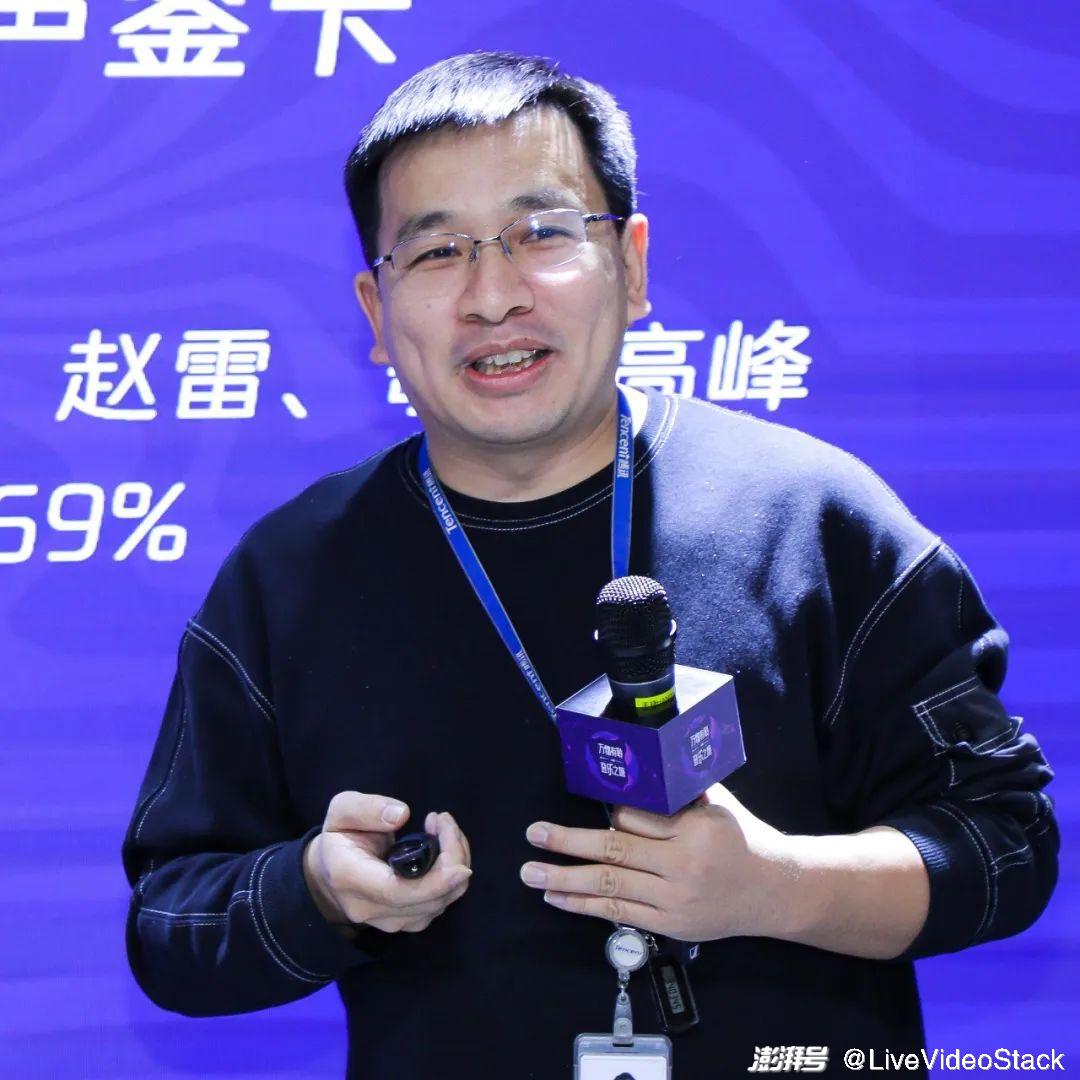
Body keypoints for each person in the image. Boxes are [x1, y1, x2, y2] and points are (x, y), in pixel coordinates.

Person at [122, 51, 1059, 1078]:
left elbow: (1007, 844)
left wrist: (777, 885)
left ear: (633, 264)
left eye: (542, 234)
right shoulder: (287, 576)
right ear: (374, 312)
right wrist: (316, 889)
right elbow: (169, 924)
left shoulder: (813, 518)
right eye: (436, 253)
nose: (493, 297)